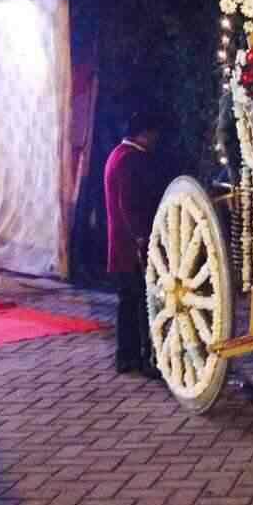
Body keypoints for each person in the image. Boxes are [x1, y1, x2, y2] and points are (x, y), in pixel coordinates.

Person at [104, 110, 166, 376]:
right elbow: (129, 205)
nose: (156, 140)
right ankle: (143, 359)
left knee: (127, 304)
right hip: (131, 247)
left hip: (120, 245)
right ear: (144, 133)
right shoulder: (131, 159)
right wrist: (142, 238)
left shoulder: (116, 154)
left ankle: (126, 357)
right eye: (153, 134)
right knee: (141, 303)